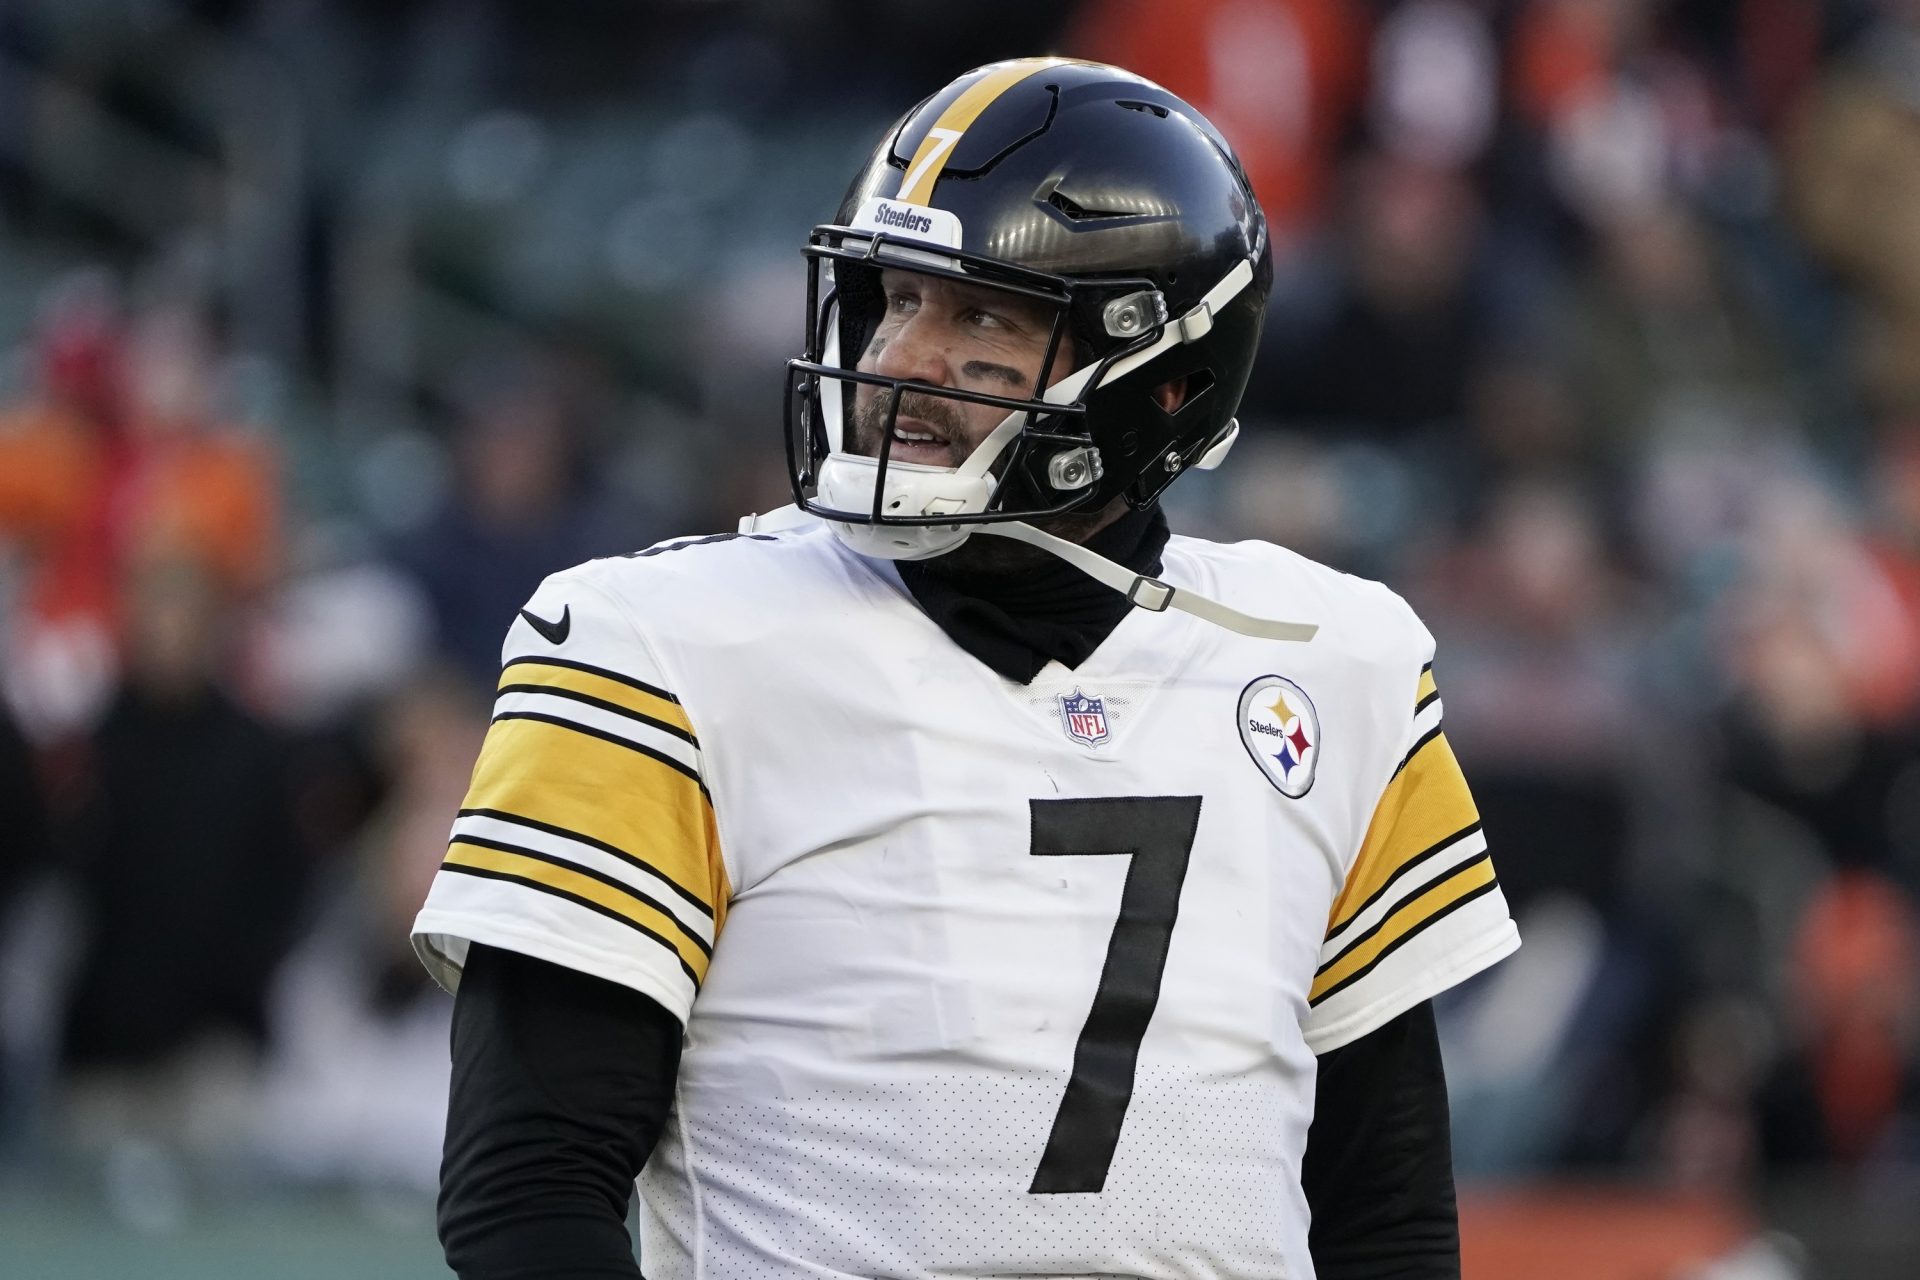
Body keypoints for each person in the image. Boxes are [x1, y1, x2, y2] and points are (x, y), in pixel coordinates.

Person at [414, 58, 1519, 1280]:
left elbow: (1390, 1215)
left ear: (1167, 377)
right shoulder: (654, 646)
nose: (902, 358)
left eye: (982, 316)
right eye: (895, 298)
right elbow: (528, 1193)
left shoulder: (1338, 661)